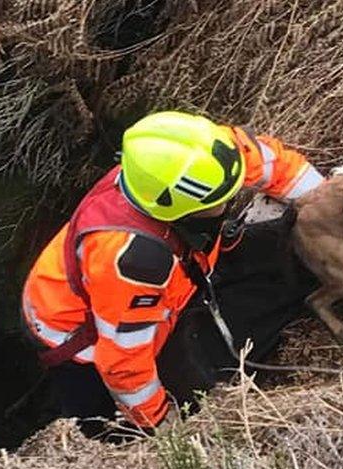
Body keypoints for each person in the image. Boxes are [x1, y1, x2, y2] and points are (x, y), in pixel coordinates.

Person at [21, 111, 325, 434]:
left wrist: (326, 203)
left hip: (117, 290)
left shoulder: (203, 156)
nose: (230, 204)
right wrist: (163, 424)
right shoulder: (134, 261)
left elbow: (268, 161)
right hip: (76, 334)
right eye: (218, 204)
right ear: (177, 211)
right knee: (105, 422)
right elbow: (124, 363)